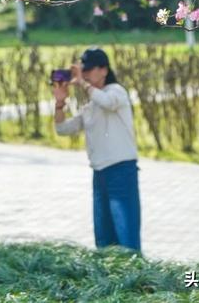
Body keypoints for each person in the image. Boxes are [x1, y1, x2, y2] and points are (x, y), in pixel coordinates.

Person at [52, 47, 141, 252]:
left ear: (104, 70)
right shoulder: (91, 105)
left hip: (121, 171)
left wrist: (83, 84)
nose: (84, 74)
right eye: (82, 70)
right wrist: (59, 103)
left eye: (88, 70)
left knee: (127, 239)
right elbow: (62, 129)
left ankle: (135, 272)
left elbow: (108, 102)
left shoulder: (116, 92)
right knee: (104, 241)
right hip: (99, 174)